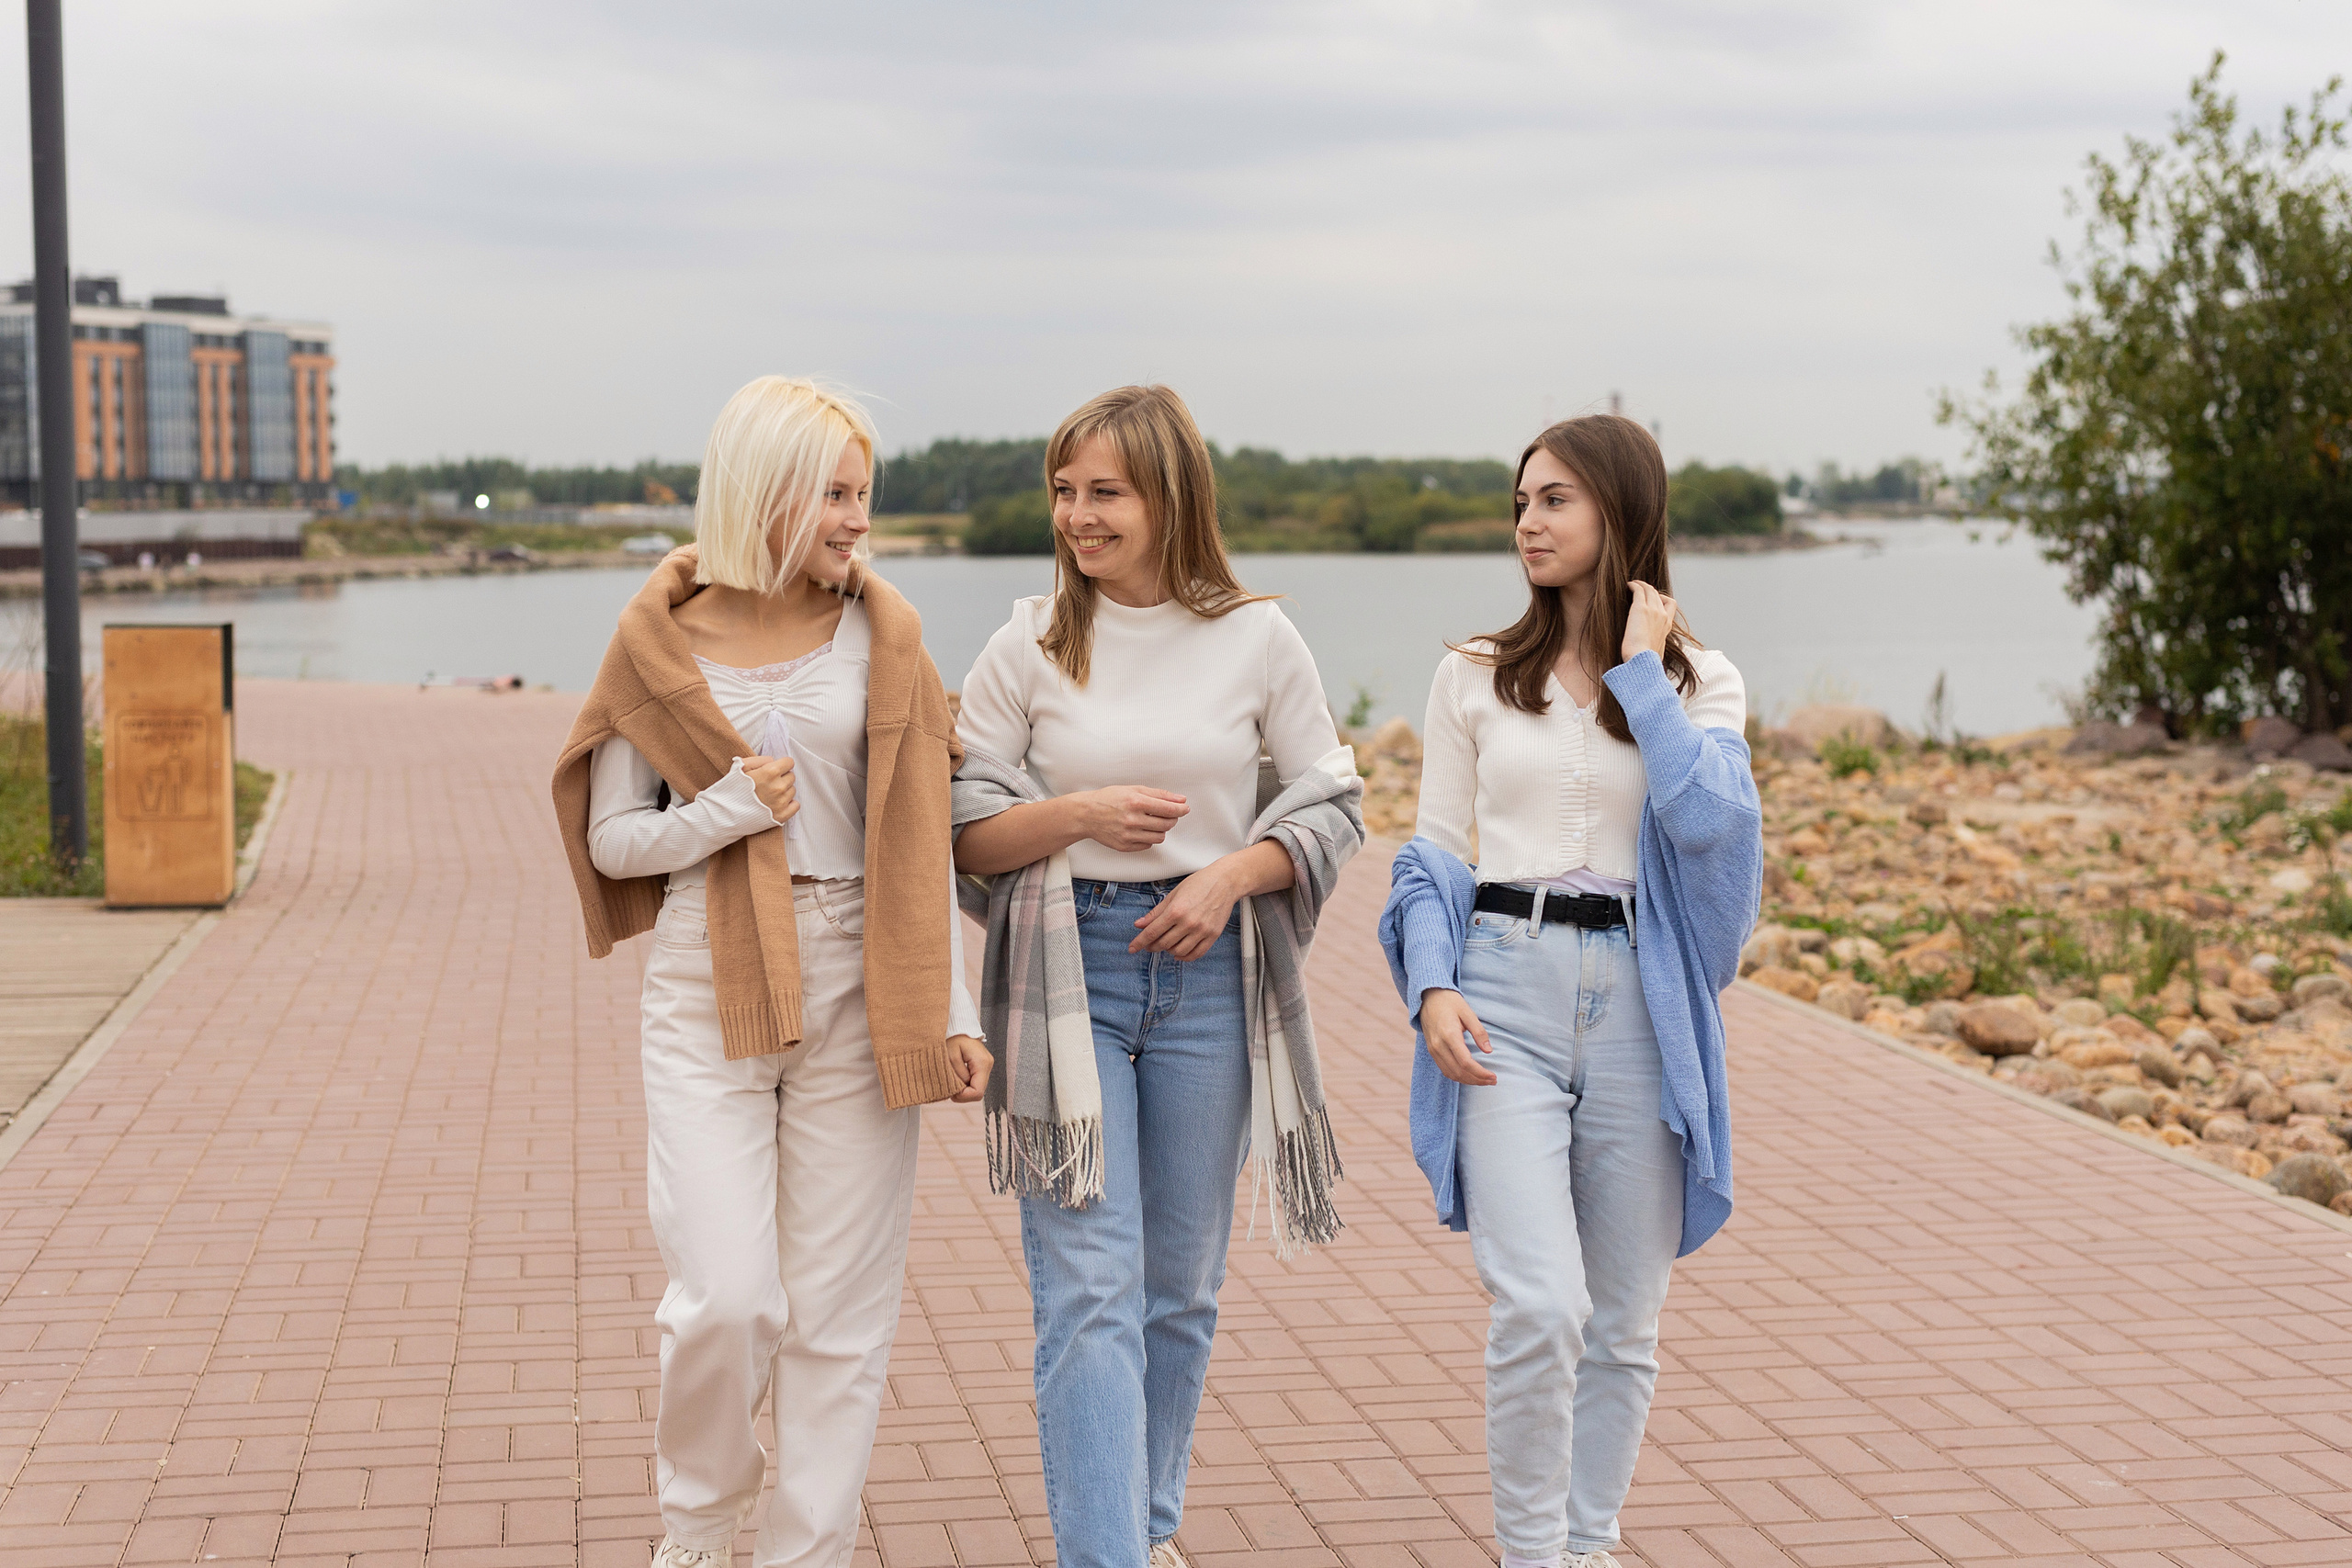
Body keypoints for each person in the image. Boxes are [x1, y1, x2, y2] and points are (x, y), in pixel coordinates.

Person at [550, 377, 992, 1568]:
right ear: (768, 489)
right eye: (837, 492)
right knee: (729, 1298)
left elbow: (918, 837)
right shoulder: (658, 642)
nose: (859, 517)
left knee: (838, 1325)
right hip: (707, 980)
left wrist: (951, 1006)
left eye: (865, 492)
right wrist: (727, 810)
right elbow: (610, 841)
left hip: (866, 972)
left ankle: (807, 1555)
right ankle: (697, 1528)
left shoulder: (885, 635)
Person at [951, 384, 1363, 1568]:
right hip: (1064, 979)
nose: (1079, 517)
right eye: (1065, 492)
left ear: (1169, 496)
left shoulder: (1257, 637)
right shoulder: (1024, 641)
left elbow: (1334, 801)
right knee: (1087, 1289)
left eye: (1106, 493)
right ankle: (1106, 1558)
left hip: (1208, 984)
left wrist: (1232, 875)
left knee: (1177, 1289)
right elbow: (965, 835)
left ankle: (1146, 1527)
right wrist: (1070, 814)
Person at [1378, 413, 1762, 1568]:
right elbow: (1432, 857)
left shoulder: (1703, 681)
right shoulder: (1472, 677)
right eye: (1519, 504)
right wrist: (1430, 986)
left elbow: (1708, 827)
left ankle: (1587, 1549)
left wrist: (1643, 676)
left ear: (1619, 509)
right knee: (1541, 1306)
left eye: (1553, 501)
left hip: (1645, 1004)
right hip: (1503, 989)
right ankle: (1531, 1555)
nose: (1527, 525)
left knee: (1624, 1326)